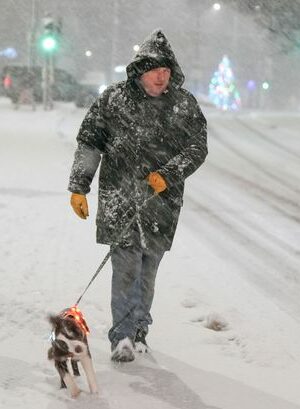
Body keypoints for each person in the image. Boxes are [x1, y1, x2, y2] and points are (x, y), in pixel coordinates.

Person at [68, 29, 208, 362]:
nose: (162, 76)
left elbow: (197, 147)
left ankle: (140, 330)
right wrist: (78, 186)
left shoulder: (183, 104)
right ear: (140, 70)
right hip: (120, 200)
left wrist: (169, 174)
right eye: (155, 69)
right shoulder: (113, 100)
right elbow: (90, 142)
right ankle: (123, 337)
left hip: (161, 205)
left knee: (147, 271)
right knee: (126, 268)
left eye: (166, 69)